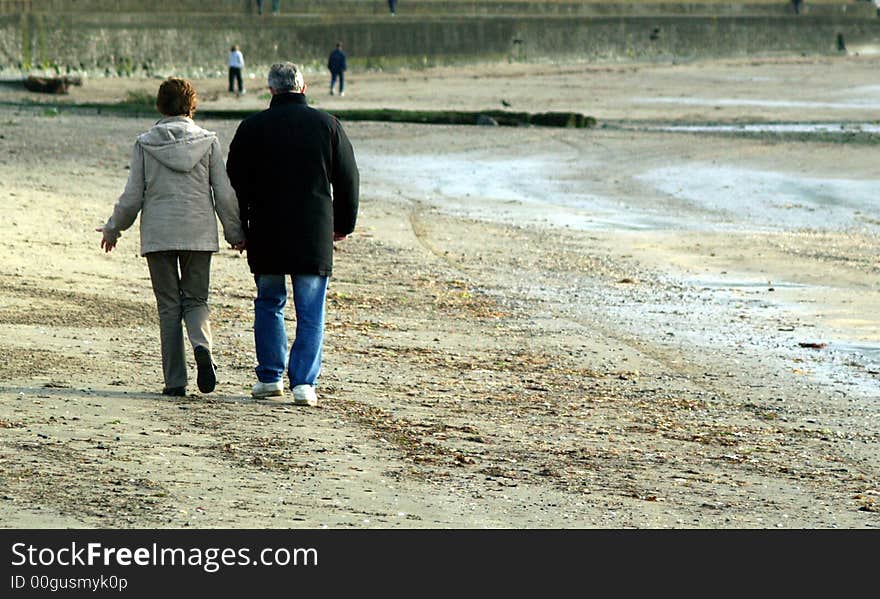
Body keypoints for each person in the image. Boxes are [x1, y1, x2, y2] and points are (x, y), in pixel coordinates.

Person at [97, 78, 245, 397]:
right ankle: (202, 347)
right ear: (192, 105)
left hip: (159, 234)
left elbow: (133, 196)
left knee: (168, 306)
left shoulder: (145, 143)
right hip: (198, 233)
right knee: (196, 300)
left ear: (160, 105)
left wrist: (113, 229)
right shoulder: (208, 141)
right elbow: (224, 193)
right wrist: (235, 233)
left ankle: (175, 381)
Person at [226, 62, 359, 406]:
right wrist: (343, 224)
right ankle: (304, 384)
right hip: (313, 230)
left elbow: (234, 184)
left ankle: (270, 376)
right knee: (311, 309)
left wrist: (239, 227)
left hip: (267, 229)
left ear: (271, 90)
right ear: (302, 88)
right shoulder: (327, 125)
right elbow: (348, 179)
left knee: (269, 302)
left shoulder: (251, 128)